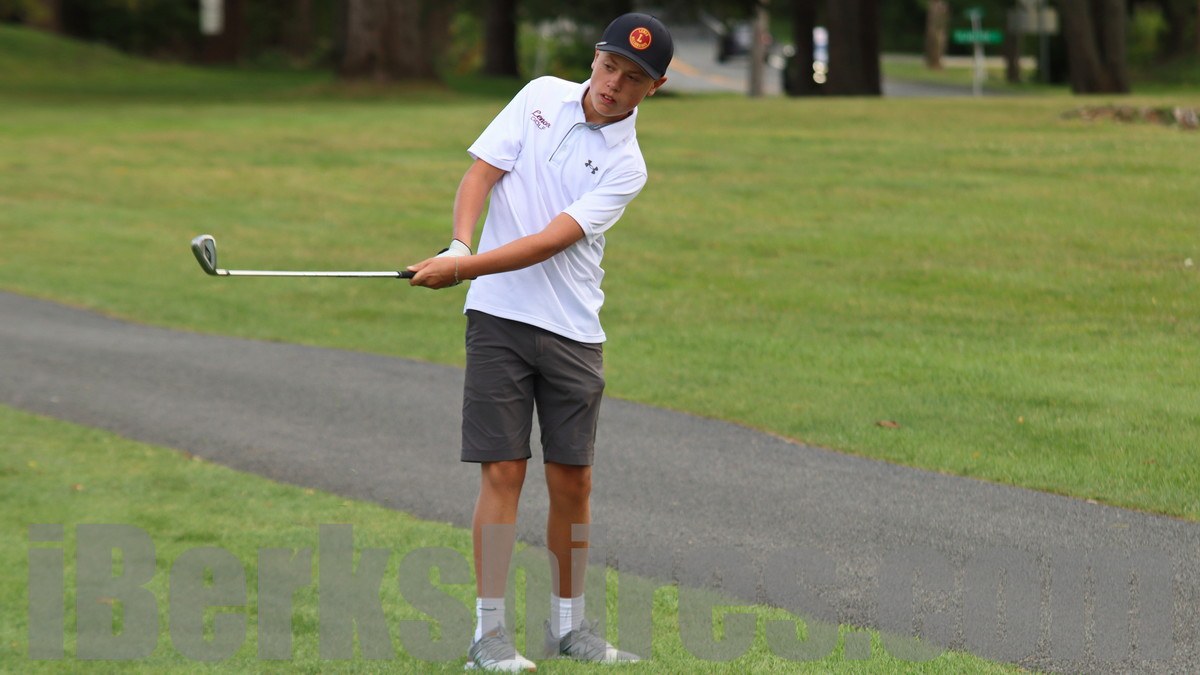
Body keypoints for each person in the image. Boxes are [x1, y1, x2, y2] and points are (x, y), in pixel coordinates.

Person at [405, 12, 673, 673]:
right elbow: (481, 174)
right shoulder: (539, 96)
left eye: (631, 78)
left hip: (574, 329)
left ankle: (568, 627)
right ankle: (488, 635)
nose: (612, 84)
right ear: (595, 57)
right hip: (498, 318)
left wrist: (461, 269)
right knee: (503, 470)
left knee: (573, 480)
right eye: (608, 66)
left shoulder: (628, 166)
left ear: (654, 88)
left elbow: (550, 240)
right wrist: (460, 244)